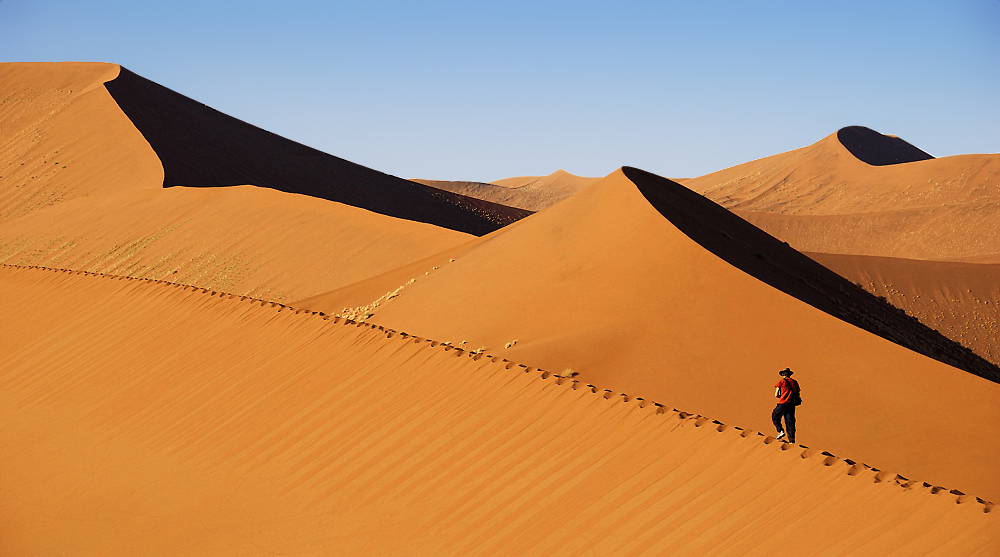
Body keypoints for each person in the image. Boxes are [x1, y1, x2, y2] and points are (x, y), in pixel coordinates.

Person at [772, 368, 800, 443]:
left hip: (783, 403)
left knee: (775, 416)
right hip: (791, 405)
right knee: (790, 421)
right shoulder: (795, 382)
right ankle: (791, 440)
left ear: (783, 374)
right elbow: (798, 393)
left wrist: (782, 396)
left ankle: (780, 430)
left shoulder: (781, 382)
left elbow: (776, 394)